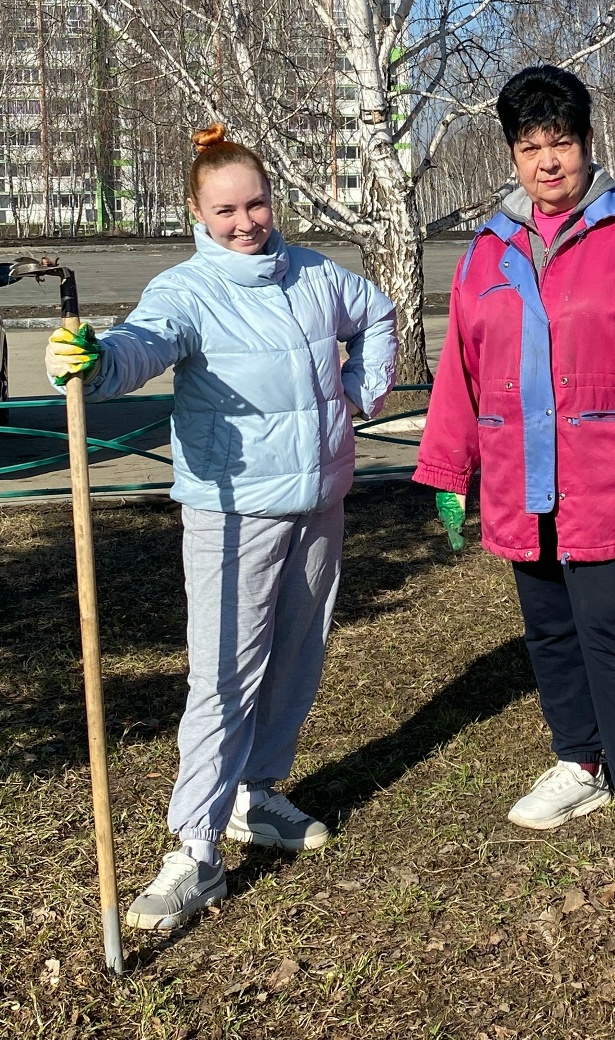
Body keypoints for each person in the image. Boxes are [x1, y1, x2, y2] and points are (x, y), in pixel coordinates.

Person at [45, 125, 396, 929]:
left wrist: (359, 393)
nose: (246, 223)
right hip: (231, 512)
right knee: (224, 678)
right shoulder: (188, 291)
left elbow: (377, 312)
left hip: (319, 502)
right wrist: (96, 361)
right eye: (227, 211)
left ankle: (255, 795)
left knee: (297, 656)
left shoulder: (315, 274)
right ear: (197, 214)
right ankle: (195, 851)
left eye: (257, 204)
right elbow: (142, 345)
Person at [413, 65, 615, 874]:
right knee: (549, 631)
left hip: (614, 475)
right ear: (512, 154)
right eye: (530, 146)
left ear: (587, 142)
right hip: (523, 479)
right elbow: (463, 367)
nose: (548, 162)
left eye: (562, 142)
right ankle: (580, 761)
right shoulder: (489, 248)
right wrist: (448, 468)